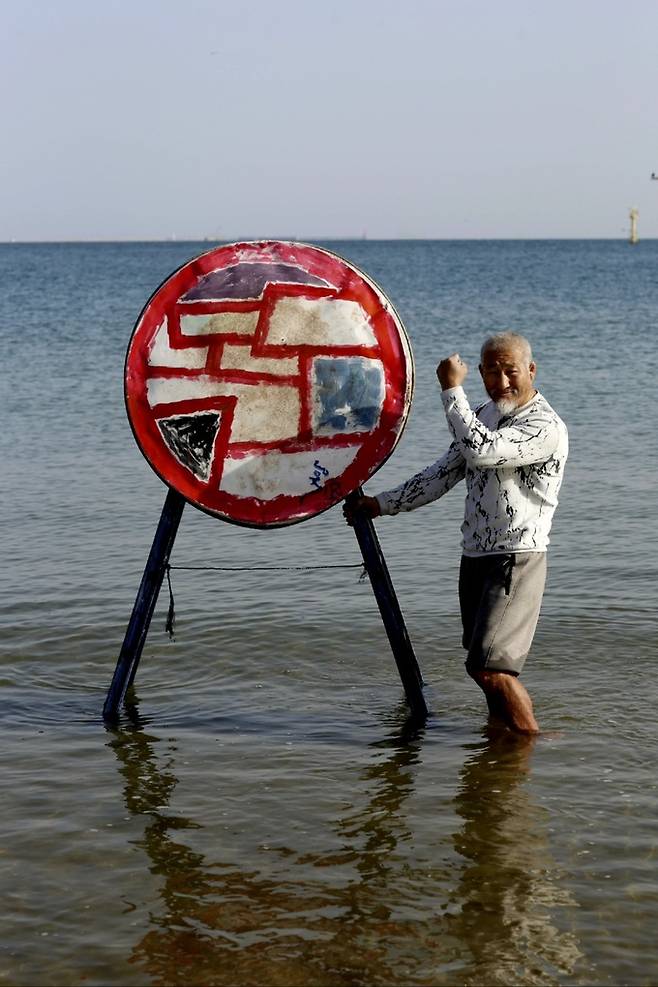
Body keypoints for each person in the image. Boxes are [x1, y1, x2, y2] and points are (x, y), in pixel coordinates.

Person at [344, 332, 568, 735]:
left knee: (488, 666)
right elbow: (442, 473)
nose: (501, 382)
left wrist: (451, 390)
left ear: (531, 371)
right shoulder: (483, 414)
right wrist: (382, 504)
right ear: (481, 373)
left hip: (516, 556)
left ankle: (535, 743)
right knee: (485, 668)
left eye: (511, 371)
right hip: (475, 555)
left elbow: (483, 450)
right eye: (492, 372)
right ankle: (499, 748)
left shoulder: (545, 426)